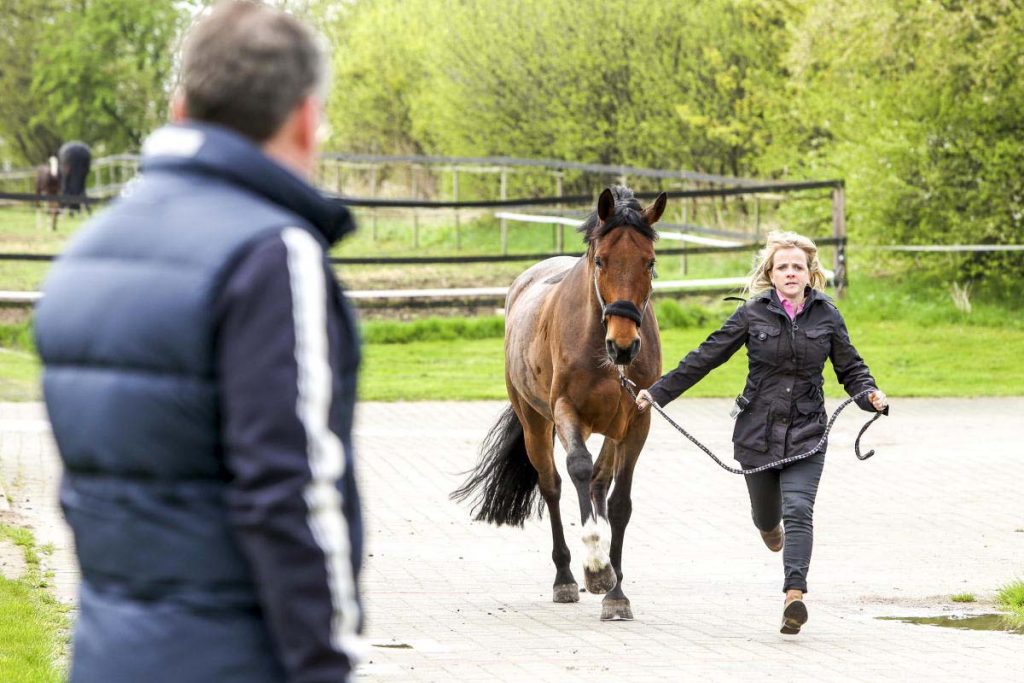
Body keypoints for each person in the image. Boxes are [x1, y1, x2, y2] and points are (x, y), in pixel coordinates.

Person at [34, 2, 364, 681]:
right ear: (306, 118)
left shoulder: (84, 255)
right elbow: (291, 494)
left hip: (103, 655)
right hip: (235, 659)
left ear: (181, 110)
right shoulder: (272, 256)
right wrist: (327, 664)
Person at [634, 231, 887, 635]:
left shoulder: (827, 316)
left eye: (797, 266)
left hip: (808, 432)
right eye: (782, 266)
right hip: (757, 434)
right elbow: (705, 357)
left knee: (799, 510)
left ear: (810, 273)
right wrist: (658, 392)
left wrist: (869, 394)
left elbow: (851, 368)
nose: (790, 272)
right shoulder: (752, 314)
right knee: (768, 518)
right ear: (771, 273)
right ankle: (770, 531)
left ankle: (794, 597)